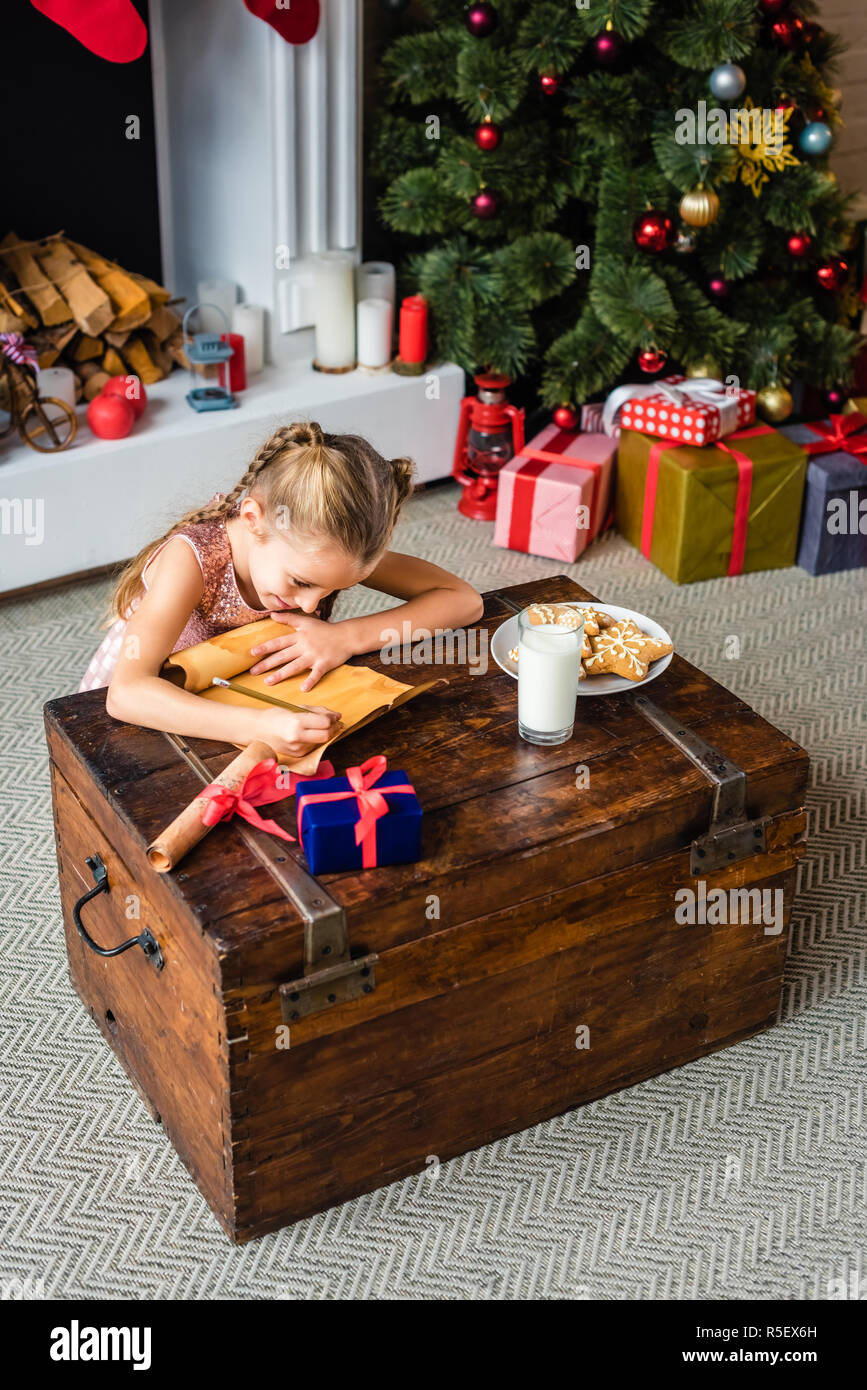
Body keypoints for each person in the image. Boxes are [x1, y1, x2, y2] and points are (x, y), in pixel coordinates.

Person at [81, 421, 483, 760]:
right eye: (302, 583)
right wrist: (258, 726)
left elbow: (463, 601)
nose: (312, 603)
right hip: (165, 710)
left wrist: (346, 637)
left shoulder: (325, 555)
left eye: (333, 589)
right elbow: (127, 694)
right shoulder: (190, 561)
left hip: (253, 695)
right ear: (253, 520)